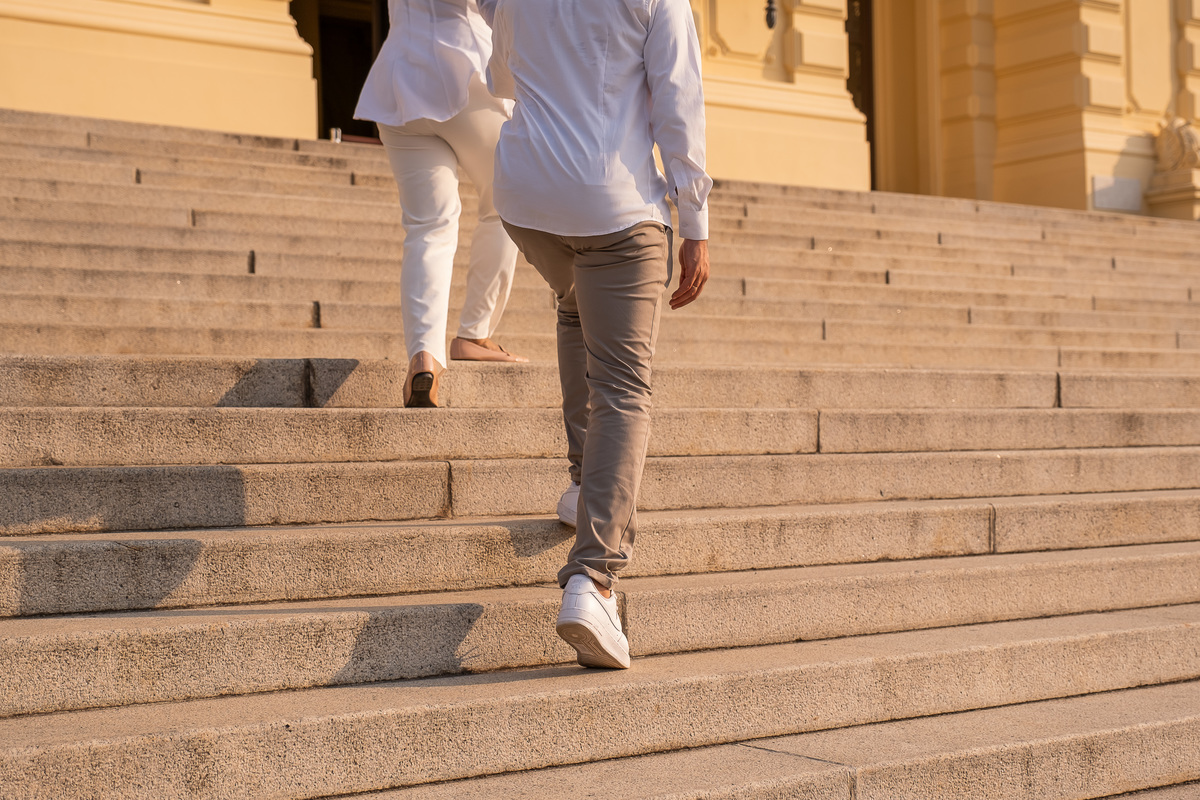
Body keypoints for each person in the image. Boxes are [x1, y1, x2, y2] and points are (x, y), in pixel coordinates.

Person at [482, 0, 711, 669]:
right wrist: (695, 221)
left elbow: (503, 78)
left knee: (576, 306)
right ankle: (596, 578)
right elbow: (679, 105)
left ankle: (586, 486)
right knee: (624, 386)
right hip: (614, 202)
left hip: (526, 197)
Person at [354, 0, 527, 409]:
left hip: (400, 79)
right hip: (466, 72)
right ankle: (474, 334)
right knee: (506, 201)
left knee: (427, 226)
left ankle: (424, 356)